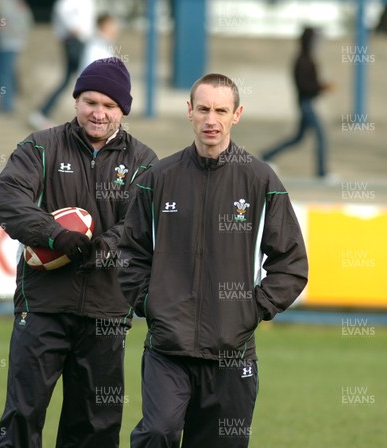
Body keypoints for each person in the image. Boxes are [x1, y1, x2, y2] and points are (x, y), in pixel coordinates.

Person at [118, 73, 308, 447]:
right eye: (203, 109)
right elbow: (130, 254)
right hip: (168, 348)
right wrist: (149, 303)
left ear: (237, 115)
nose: (211, 119)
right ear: (189, 111)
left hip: (231, 352)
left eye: (221, 110)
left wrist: (251, 310)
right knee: (157, 432)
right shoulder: (159, 178)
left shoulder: (260, 179)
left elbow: (291, 263)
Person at [0, 57, 158, 447]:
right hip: (43, 306)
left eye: (109, 105)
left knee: (95, 427)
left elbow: (143, 222)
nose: (98, 113)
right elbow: (8, 197)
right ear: (76, 101)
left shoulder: (144, 161)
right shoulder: (41, 146)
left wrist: (107, 245)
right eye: (90, 101)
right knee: (22, 414)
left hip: (107, 312)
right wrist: (55, 235)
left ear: (123, 110)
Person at [261, 26, 332, 178]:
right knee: (321, 135)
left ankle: (266, 155)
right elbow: (304, 86)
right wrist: (321, 87)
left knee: (297, 138)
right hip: (305, 103)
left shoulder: (307, 58)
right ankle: (322, 172)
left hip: (307, 103)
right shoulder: (302, 60)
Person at [28, 0, 95, 130]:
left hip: (84, 42)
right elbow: (64, 12)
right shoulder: (67, 3)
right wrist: (75, 28)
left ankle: (42, 113)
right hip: (75, 42)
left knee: (74, 80)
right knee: (87, 80)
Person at [0, 0, 33, 112]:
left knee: (4, 74)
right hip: (7, 41)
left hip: (9, 42)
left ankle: (6, 105)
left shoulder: (7, 4)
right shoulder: (14, 4)